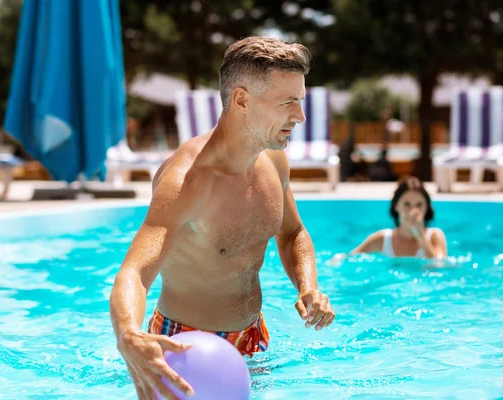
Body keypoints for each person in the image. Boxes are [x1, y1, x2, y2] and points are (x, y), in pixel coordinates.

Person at [109, 36, 336, 400]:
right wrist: (128, 335)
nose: (301, 116)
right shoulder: (187, 182)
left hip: (254, 337)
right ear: (241, 99)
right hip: (185, 349)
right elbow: (134, 272)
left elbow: (292, 232)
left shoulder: (273, 158)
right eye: (287, 102)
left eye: (301, 100)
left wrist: (307, 286)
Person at [351, 177, 447, 258]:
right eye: (407, 204)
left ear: (427, 207)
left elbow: (440, 266)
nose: (413, 210)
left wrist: (421, 236)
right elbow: (348, 260)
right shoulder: (382, 239)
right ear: (396, 206)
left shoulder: (434, 236)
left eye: (419, 205)